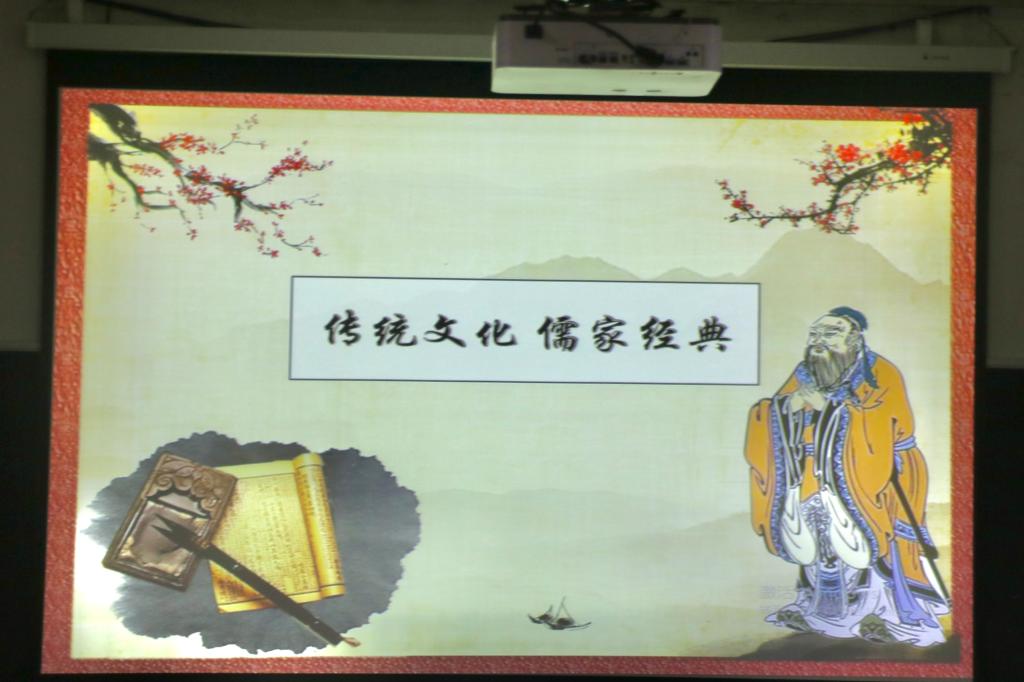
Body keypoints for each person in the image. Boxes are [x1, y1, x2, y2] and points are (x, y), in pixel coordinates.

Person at [744, 306, 949, 646]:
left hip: (881, 473)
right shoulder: (806, 372)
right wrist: (787, 407)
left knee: (883, 545)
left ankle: (902, 618)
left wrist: (828, 408)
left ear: (855, 339)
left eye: (830, 334)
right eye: (814, 334)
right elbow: (772, 412)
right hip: (818, 474)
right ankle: (824, 613)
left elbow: (883, 424)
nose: (819, 341)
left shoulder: (880, 373)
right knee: (822, 542)